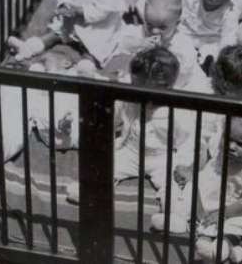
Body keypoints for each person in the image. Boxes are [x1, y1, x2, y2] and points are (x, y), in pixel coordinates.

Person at [65, 47, 196, 204]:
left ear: (166, 88)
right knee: (104, 166)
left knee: (174, 183)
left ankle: (173, 210)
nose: (137, 93)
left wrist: (184, 165)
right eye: (134, 86)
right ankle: (90, 191)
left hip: (162, 158)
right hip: (131, 151)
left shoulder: (176, 111)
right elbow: (112, 118)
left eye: (145, 91)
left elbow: (188, 141)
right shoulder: (129, 98)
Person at [151, 117, 242, 264]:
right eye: (228, 138)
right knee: (185, 189)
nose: (231, 146)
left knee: (235, 224)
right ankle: (182, 220)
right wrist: (191, 169)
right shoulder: (221, 144)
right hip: (221, 189)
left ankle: (227, 245)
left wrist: (222, 213)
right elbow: (207, 155)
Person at [104, 0, 208, 92]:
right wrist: (138, 44)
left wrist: (165, 53)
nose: (154, 31)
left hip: (169, 87)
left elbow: (185, 71)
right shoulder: (135, 33)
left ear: (176, 24)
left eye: (162, 27)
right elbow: (117, 47)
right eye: (149, 24)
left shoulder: (182, 43)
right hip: (135, 82)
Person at [179, 0, 241, 68]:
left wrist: (223, 57)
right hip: (187, 34)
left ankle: (207, 66)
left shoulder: (231, 11)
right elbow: (179, 18)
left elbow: (228, 38)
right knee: (179, 47)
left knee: (214, 53)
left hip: (210, 40)